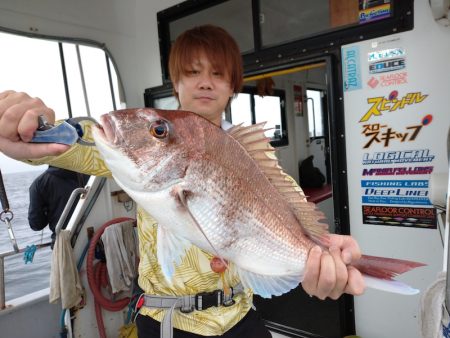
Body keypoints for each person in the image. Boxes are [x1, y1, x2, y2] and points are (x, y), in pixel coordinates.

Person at [0, 25, 365, 337]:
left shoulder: (254, 157)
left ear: (233, 85)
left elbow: (289, 219)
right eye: (192, 72)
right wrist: (36, 130)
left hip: (240, 318)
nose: (205, 82)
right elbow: (73, 145)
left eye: (218, 74)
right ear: (175, 83)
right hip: (165, 322)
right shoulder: (133, 156)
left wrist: (324, 253)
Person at [28, 165, 89, 248]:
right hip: (93, 237)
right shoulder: (91, 175)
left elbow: (36, 224)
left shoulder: (39, 183)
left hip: (64, 245)